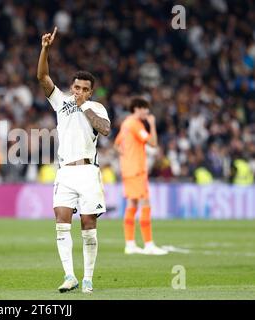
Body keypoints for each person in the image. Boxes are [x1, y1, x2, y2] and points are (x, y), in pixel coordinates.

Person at [37, 27, 111, 294]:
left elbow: (104, 129)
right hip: (65, 172)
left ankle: (88, 277)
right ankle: (70, 275)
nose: (79, 91)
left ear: (90, 92)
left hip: (88, 172)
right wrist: (45, 48)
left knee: (88, 225)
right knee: (61, 221)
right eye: (76, 87)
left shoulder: (95, 107)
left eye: (84, 89)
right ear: (71, 87)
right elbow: (42, 76)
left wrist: (83, 107)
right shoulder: (61, 102)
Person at [114, 97, 167, 255]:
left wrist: (125, 157)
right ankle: (149, 245)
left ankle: (130, 244)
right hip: (136, 170)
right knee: (145, 203)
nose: (147, 112)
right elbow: (153, 143)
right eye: (144, 108)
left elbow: (117, 145)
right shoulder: (135, 125)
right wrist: (151, 124)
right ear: (136, 108)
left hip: (128, 170)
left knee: (132, 205)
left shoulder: (125, 124)